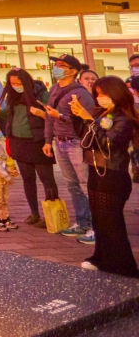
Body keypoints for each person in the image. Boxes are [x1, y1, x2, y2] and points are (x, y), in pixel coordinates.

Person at [70, 76, 139, 277]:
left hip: (113, 174)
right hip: (96, 169)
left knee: (112, 222)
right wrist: (78, 116)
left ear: (116, 94)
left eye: (104, 94)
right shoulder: (100, 113)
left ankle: (123, 267)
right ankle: (101, 258)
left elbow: (109, 143)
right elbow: (86, 138)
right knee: (100, 220)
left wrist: (89, 119)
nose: (100, 98)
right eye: (98, 94)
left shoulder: (125, 118)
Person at [0, 68, 60, 226]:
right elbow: (10, 116)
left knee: (46, 179)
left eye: (18, 83)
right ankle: (34, 213)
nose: (16, 85)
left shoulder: (40, 93)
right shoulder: (13, 95)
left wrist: (41, 116)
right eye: (12, 83)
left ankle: (52, 214)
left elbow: (52, 115)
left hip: (37, 140)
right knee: (27, 179)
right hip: (18, 141)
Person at [43, 55, 98, 239]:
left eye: (61, 66)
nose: (56, 68)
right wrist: (47, 140)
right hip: (60, 142)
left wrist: (60, 116)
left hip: (76, 142)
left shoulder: (81, 93)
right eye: (56, 65)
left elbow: (89, 121)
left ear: (73, 71)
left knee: (85, 184)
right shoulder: (55, 88)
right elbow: (49, 116)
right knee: (72, 185)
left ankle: (97, 227)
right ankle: (82, 223)